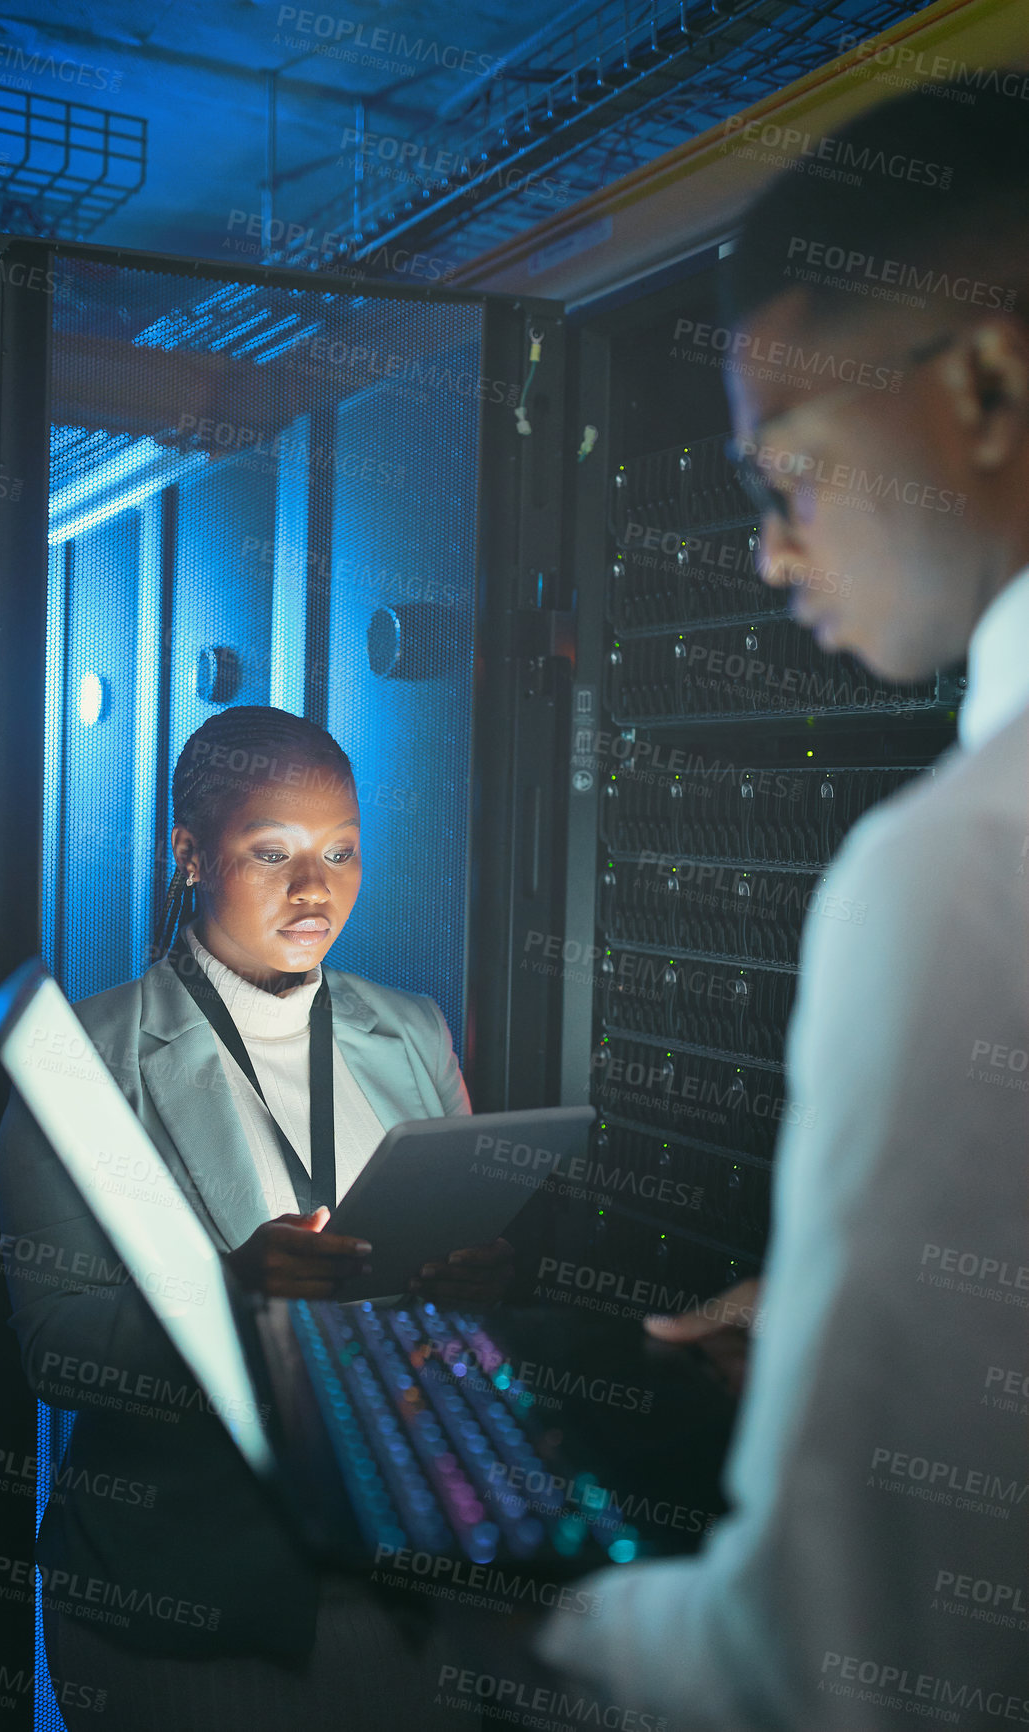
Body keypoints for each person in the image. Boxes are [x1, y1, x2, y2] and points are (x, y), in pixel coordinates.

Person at [533, 78, 1029, 1731]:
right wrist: (851, 1321)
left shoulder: (955, 868)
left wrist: (533, 1614)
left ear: (978, 380)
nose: (764, 554)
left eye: (787, 474)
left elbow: (830, 1680)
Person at [0, 705, 508, 1731]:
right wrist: (234, 1290)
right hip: (188, 1600)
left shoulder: (411, 1031)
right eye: (271, 851)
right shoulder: (80, 1061)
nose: (314, 888)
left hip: (409, 1572)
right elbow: (57, 1350)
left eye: (340, 852)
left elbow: (456, 1282)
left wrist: (475, 1278)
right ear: (187, 854)